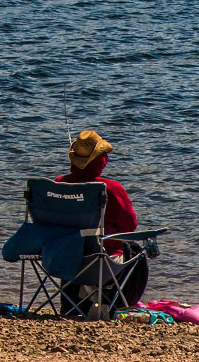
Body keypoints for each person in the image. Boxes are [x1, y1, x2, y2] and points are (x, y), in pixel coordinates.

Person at [59, 129, 148, 311]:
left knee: (75, 242)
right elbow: (129, 227)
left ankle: (72, 304)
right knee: (137, 251)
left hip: (62, 258)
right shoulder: (111, 189)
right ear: (100, 161)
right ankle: (119, 304)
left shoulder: (58, 184)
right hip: (102, 258)